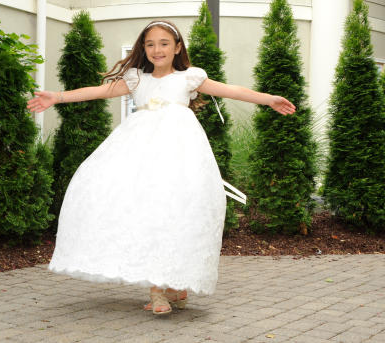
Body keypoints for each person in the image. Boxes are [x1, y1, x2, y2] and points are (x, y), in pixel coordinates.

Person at [27, 19, 296, 316]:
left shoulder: (190, 78)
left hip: (182, 154)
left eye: (164, 43)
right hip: (140, 152)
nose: (157, 49)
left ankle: (174, 282)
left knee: (178, 212)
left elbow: (230, 89)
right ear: (144, 48)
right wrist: (57, 97)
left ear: (177, 47)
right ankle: (157, 290)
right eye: (151, 44)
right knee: (150, 210)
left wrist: (268, 99)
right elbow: (98, 91)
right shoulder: (136, 79)